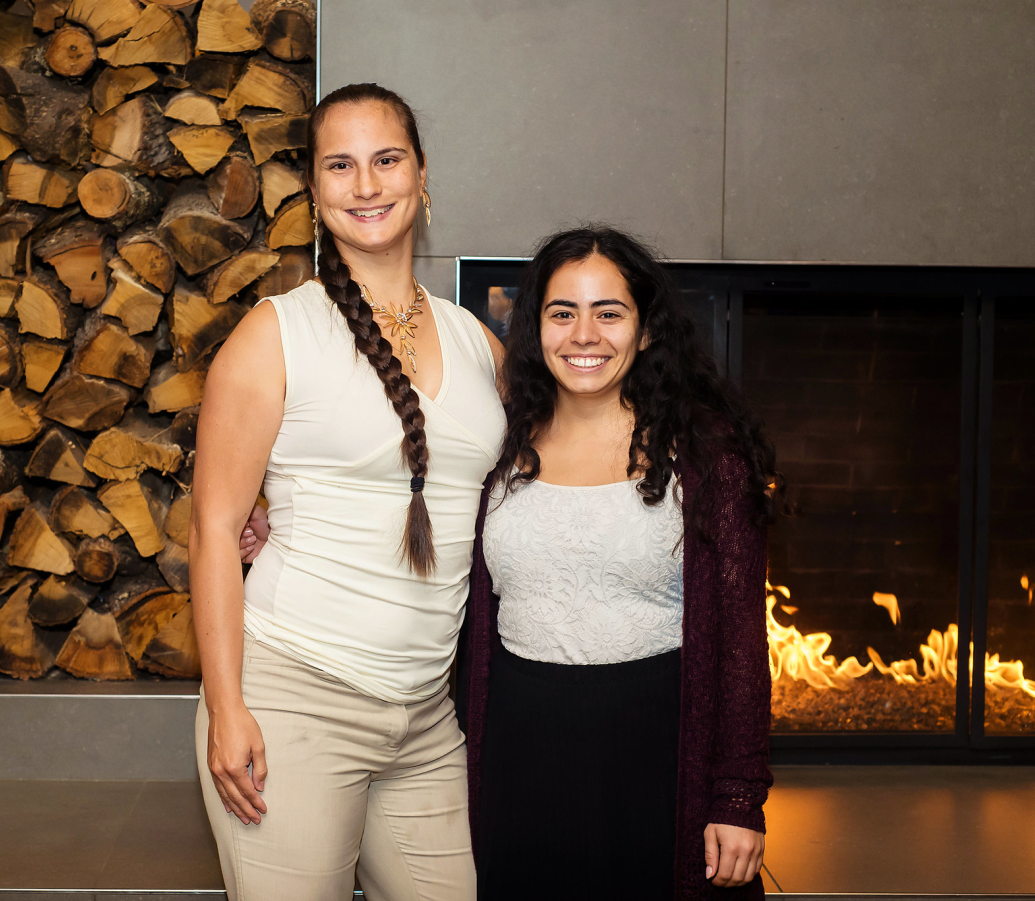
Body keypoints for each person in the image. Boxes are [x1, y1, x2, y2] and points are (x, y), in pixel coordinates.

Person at [190, 83, 505, 901]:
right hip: (292, 700)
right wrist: (229, 708)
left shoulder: (479, 342)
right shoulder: (275, 334)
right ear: (315, 189)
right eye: (340, 165)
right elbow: (215, 529)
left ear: (422, 175)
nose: (366, 185)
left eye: (386, 159)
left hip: (426, 718)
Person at [456, 227, 780, 900]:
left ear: (647, 329)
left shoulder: (707, 452)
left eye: (609, 312)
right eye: (561, 312)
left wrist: (738, 796)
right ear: (534, 326)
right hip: (519, 751)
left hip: (655, 756)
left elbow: (743, 640)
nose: (584, 334)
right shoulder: (497, 437)